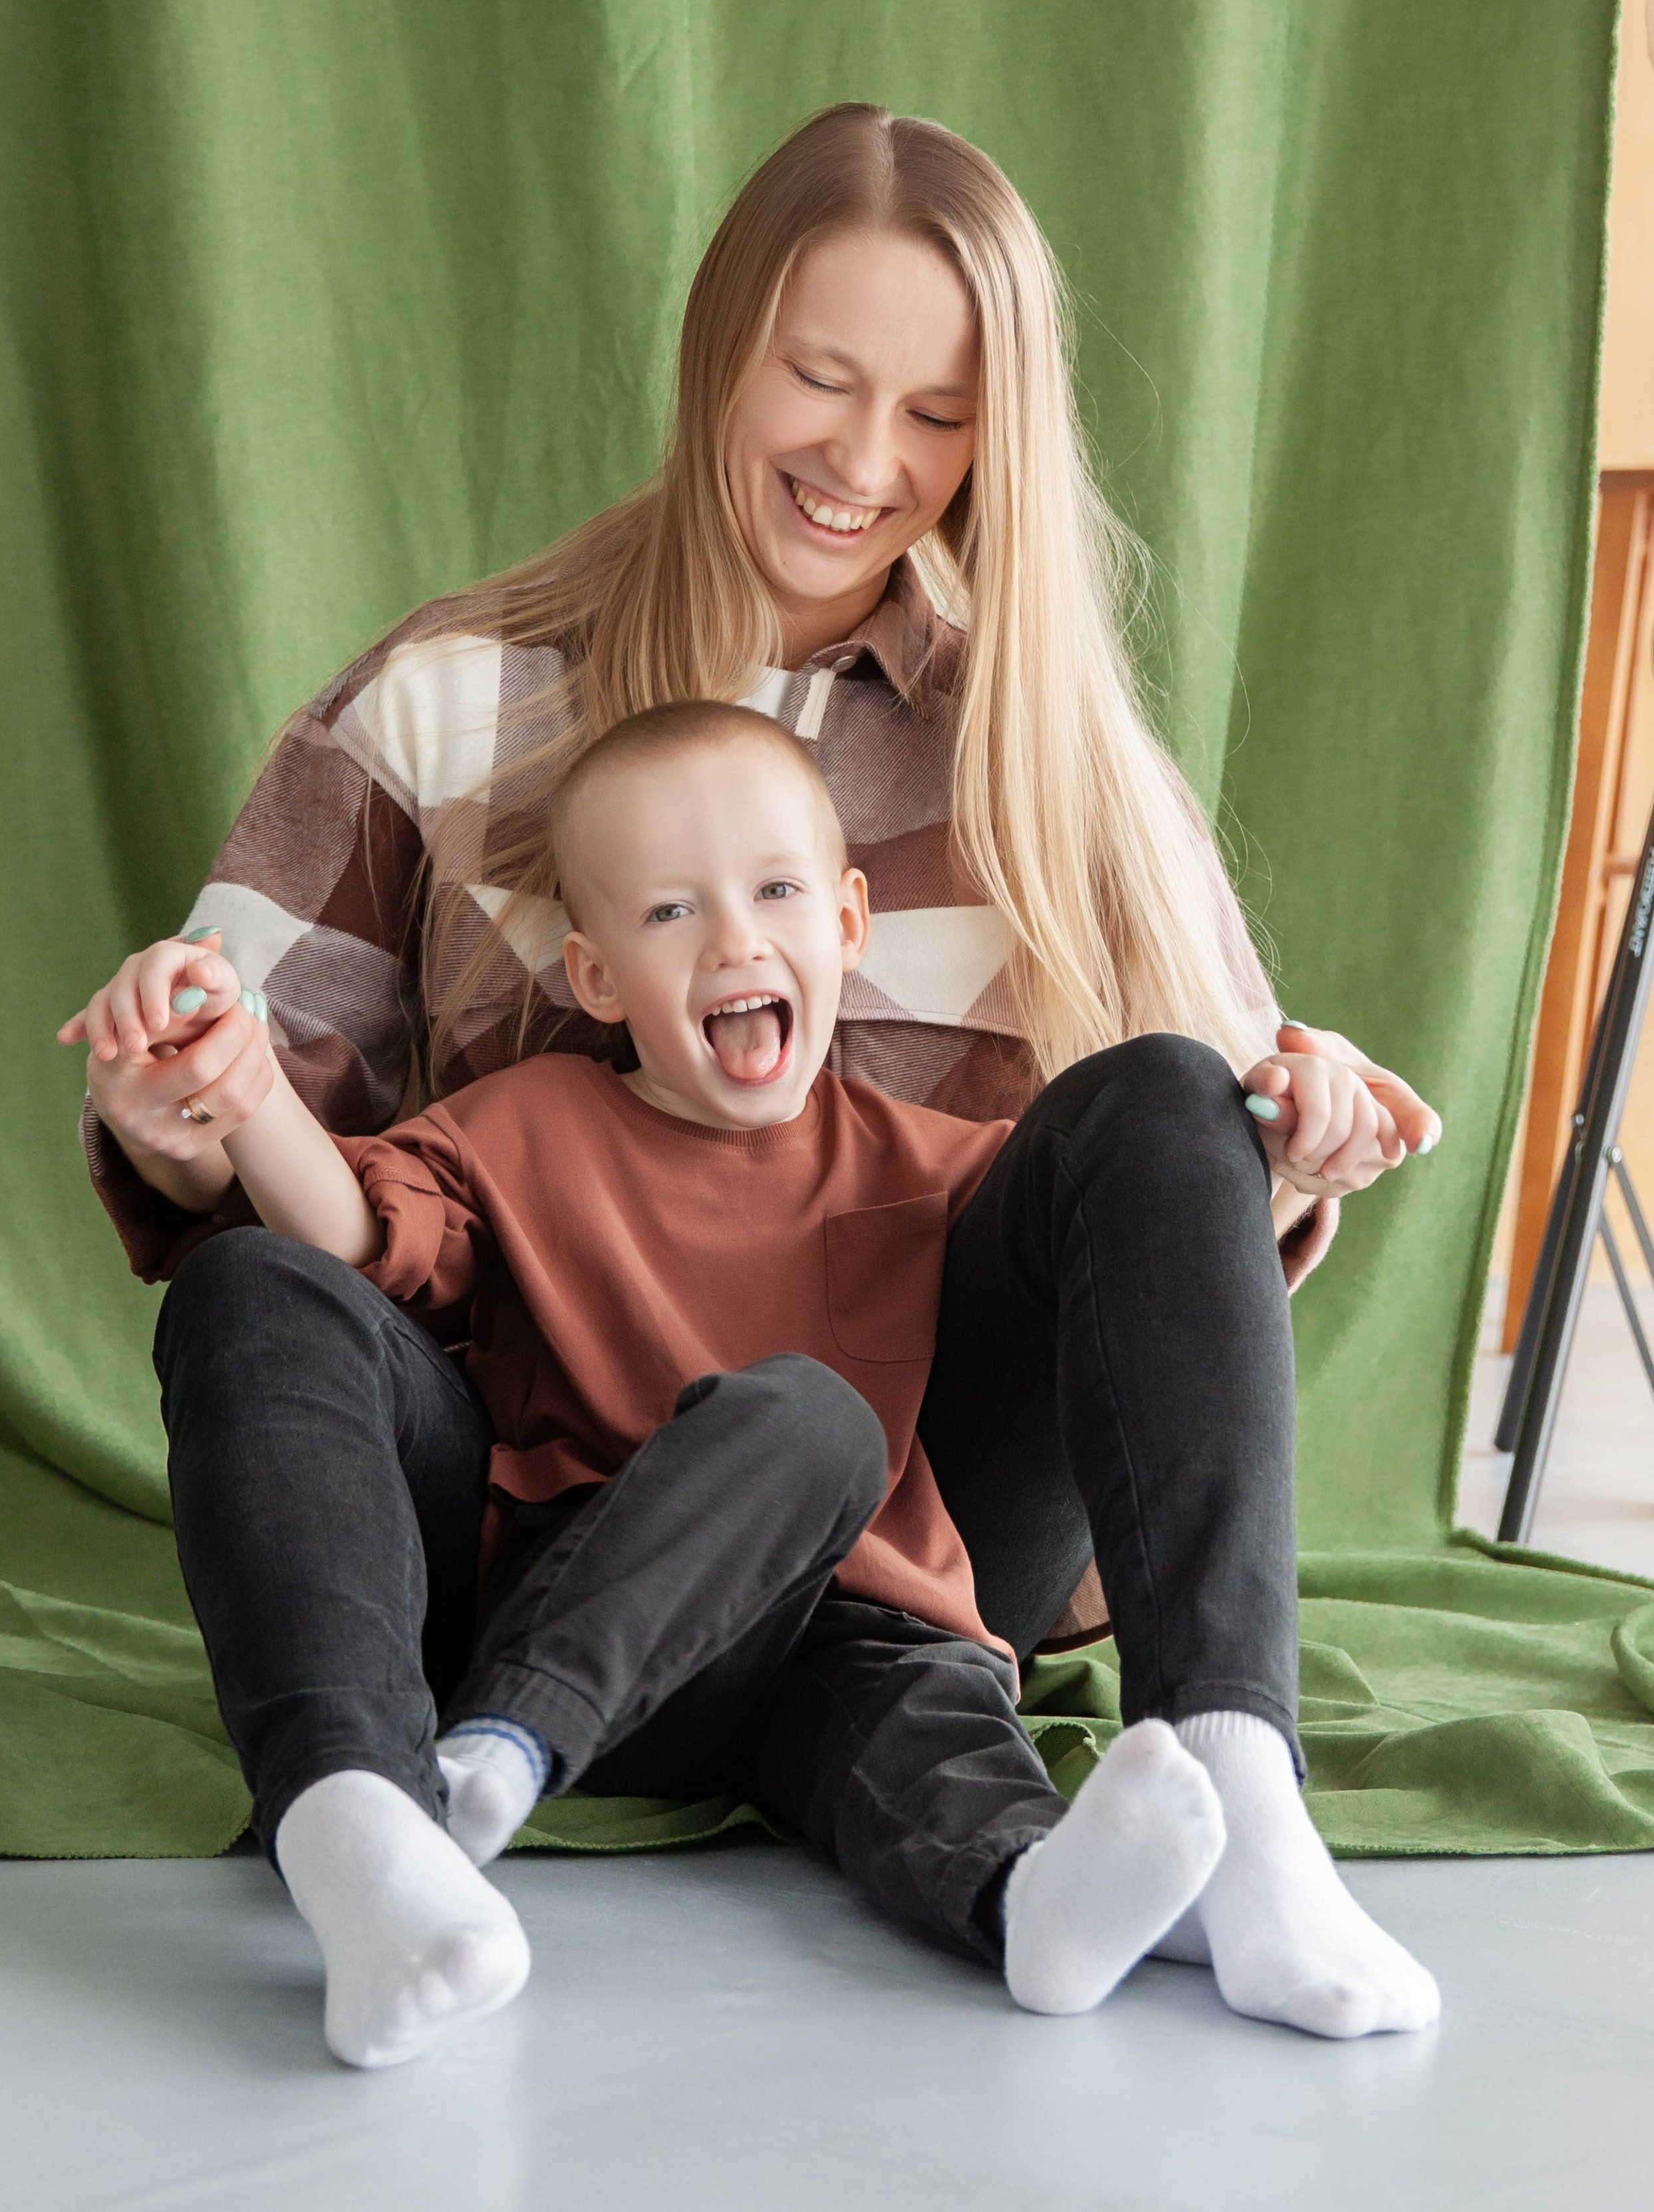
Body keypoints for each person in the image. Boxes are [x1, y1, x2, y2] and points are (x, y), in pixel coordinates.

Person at [112, 701, 1436, 2066]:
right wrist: (244, 1083)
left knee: (1166, 1094)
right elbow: (347, 1240)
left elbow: (1130, 1283)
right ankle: (376, 1828)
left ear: (848, 924)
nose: (737, 937)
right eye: (673, 909)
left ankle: (1114, 1863)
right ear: (598, 968)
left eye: (777, 890)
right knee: (261, 1277)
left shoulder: (932, 1159)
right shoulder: (525, 1122)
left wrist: (1269, 1145)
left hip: (856, 1647)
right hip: (574, 1633)